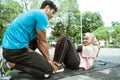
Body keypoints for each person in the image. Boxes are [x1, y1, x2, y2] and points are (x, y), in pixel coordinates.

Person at [0, 0, 57, 79]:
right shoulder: (42, 15)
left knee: (34, 40)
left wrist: (46, 60)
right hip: (15, 51)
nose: (52, 16)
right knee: (47, 71)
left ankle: (14, 61)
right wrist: (49, 61)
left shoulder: (33, 14)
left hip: (8, 50)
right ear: (47, 8)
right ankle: (10, 64)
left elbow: (38, 41)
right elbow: (42, 41)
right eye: (53, 12)